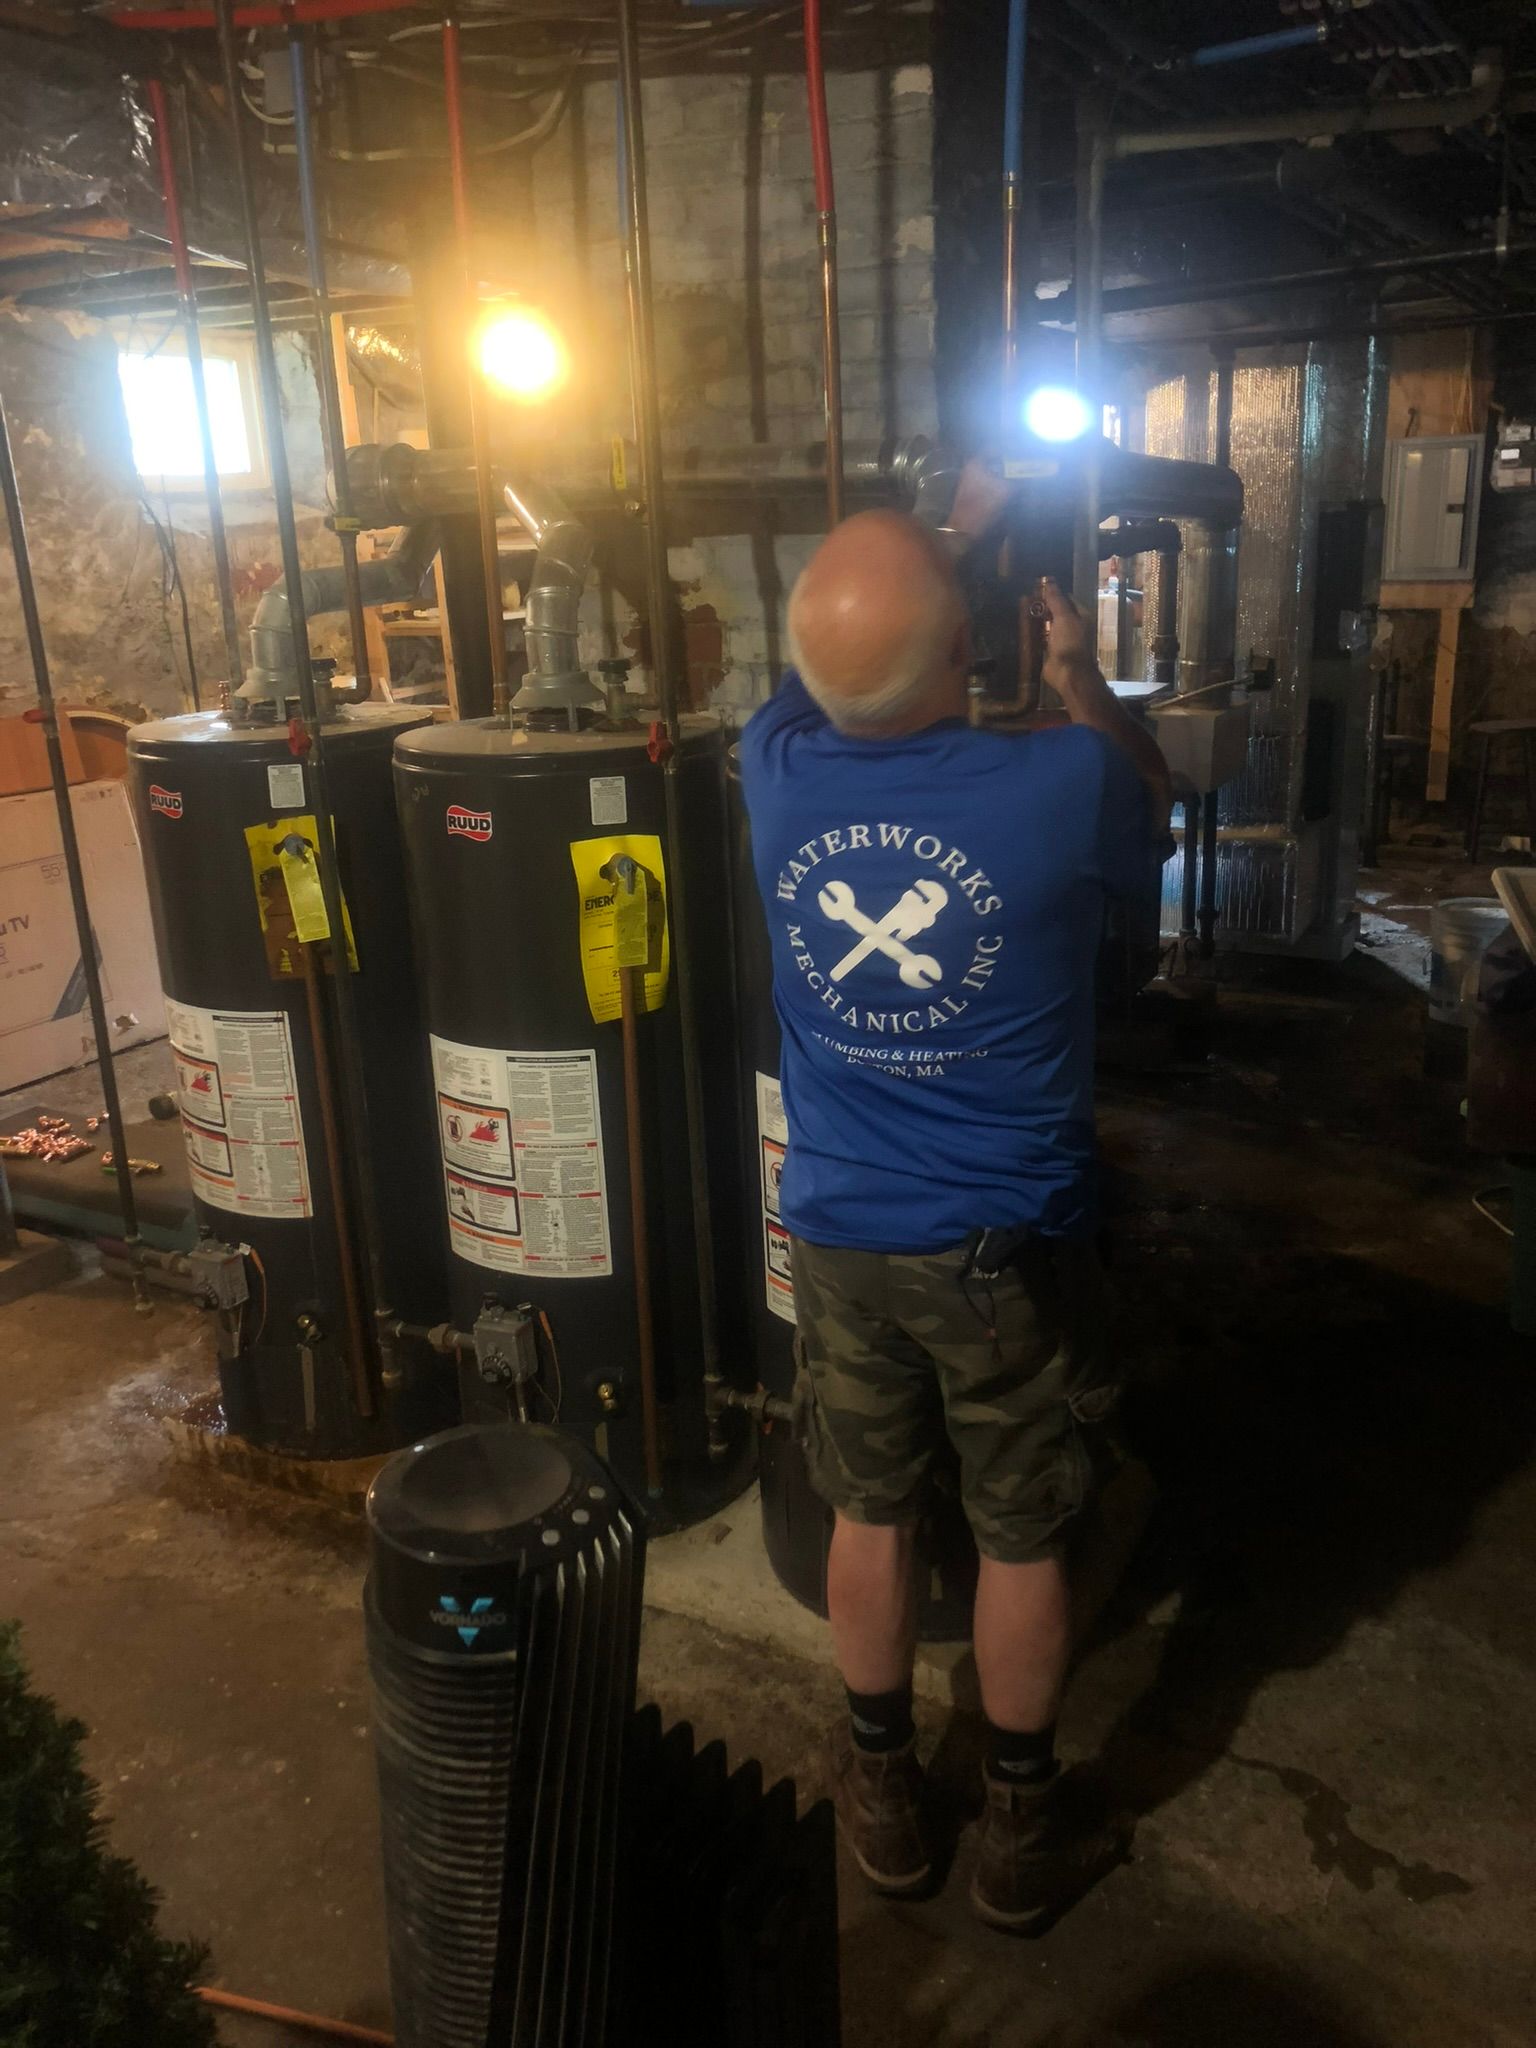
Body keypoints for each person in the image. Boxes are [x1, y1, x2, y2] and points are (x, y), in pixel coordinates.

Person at [737, 475, 1169, 1934]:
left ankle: (880, 1792)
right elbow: (1150, 804)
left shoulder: (774, 769)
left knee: (867, 1510)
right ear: (968, 652)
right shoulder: (1061, 781)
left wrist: (946, 546)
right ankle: (1019, 1831)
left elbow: (824, 664)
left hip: (837, 1233)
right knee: (1022, 1533)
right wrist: (1078, 675)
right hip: (999, 1255)